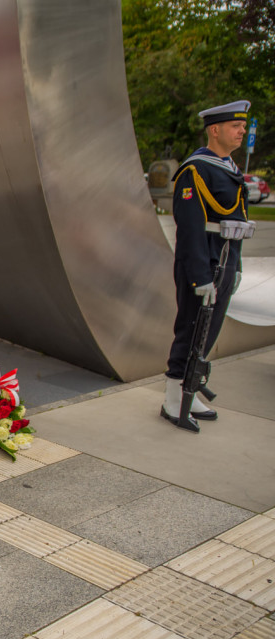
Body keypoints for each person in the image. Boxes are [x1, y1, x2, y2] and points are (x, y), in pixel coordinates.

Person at [161, 100, 250, 430]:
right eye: (235, 126)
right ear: (215, 130)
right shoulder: (195, 170)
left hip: (224, 262)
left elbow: (236, 224)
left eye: (243, 126)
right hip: (204, 264)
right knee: (190, 328)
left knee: (208, 332)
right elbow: (190, 229)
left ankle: (190, 388)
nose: (242, 131)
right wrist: (199, 276)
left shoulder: (228, 168)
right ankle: (173, 397)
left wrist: (236, 267)